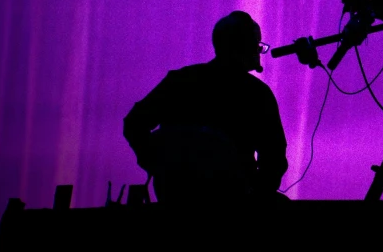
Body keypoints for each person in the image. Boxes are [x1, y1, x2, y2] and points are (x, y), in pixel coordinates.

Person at [123, 11, 289, 205]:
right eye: (256, 44)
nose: (259, 51)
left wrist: (155, 163)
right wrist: (259, 190)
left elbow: (134, 123)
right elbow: (274, 158)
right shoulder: (257, 94)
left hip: (176, 197)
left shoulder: (179, 81)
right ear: (242, 47)